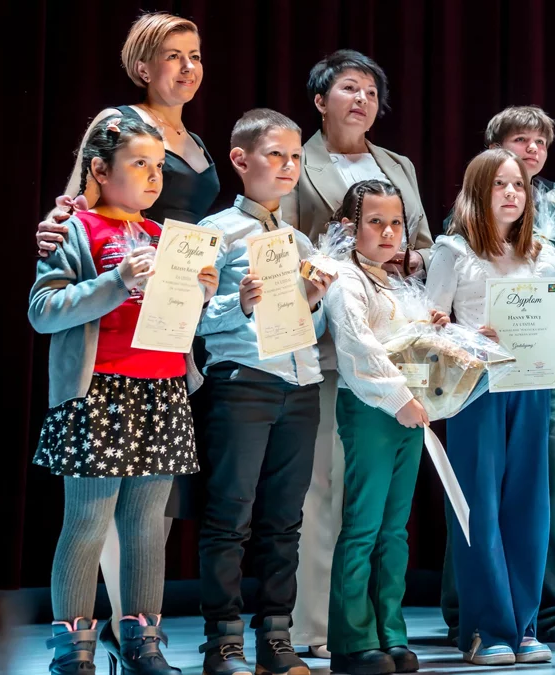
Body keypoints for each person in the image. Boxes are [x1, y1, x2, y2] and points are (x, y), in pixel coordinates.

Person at [31, 11, 221, 643]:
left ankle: (142, 637)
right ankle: (74, 641)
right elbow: (45, 306)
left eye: (157, 167)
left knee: (147, 523)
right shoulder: (81, 223)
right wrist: (112, 276)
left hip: (163, 381)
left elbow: (183, 304)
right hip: (101, 386)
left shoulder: (165, 223)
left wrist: (203, 292)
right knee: (88, 519)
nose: (153, 176)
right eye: (173, 55)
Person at [281, 50, 434, 658]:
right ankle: (320, 628)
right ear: (321, 101)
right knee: (325, 492)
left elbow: (421, 242)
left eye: (370, 91)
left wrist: (409, 263)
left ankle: (377, 628)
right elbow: (288, 244)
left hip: (394, 334)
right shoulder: (300, 160)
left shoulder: (397, 164)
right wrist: (330, 275)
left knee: (384, 514)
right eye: (349, 88)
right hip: (328, 340)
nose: (362, 100)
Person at [437, 106, 555, 646]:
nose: (512, 193)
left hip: (532, 387)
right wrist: (471, 338)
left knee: (530, 508)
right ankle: (485, 629)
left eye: (518, 186)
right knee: (479, 508)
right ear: (477, 191)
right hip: (476, 392)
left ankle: (525, 627)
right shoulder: (453, 251)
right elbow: (429, 332)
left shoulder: (544, 256)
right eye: (499, 184)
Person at [194, 109, 333, 675]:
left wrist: (314, 301)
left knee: (284, 520)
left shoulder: (297, 240)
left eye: (295, 156)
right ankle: (222, 643)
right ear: (240, 159)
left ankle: (276, 637)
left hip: (300, 384)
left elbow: (308, 327)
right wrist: (240, 304)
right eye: (276, 154)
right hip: (242, 383)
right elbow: (190, 319)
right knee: (230, 515)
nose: (288, 165)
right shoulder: (215, 232)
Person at [324, 180, 450, 675]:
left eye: (396, 222)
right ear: (348, 227)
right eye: (375, 222)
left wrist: (432, 328)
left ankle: (390, 632)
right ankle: (353, 639)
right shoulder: (344, 277)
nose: (388, 232)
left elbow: (402, 340)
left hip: (407, 411)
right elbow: (359, 348)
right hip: (372, 410)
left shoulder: (394, 280)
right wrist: (400, 400)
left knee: (394, 530)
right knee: (363, 526)